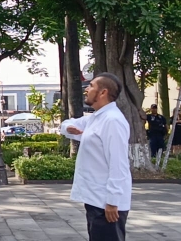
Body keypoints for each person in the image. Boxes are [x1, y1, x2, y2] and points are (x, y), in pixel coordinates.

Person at [60, 73, 131, 241]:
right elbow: (67, 124)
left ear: (102, 92)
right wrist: (69, 128)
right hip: (95, 200)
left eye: (91, 86)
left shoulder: (112, 120)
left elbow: (118, 163)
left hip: (107, 204)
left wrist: (113, 201)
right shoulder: (96, 117)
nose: (87, 89)